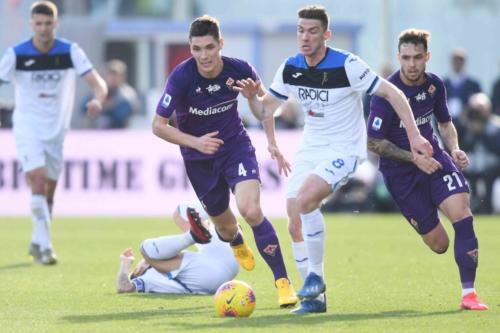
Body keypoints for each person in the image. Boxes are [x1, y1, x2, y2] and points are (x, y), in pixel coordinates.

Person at [234, 5, 433, 314]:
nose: (305, 37)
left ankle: (314, 276)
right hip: (310, 147)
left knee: (305, 199)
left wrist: (415, 135)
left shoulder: (347, 65)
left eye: (313, 31)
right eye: (301, 30)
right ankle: (315, 299)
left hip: (344, 149)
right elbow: (264, 111)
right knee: (293, 218)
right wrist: (251, 98)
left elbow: (394, 94)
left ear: (326, 35)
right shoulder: (290, 68)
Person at [151, 15, 298, 308]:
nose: (203, 56)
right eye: (196, 49)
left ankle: (283, 283)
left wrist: (271, 140)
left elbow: (262, 109)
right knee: (226, 227)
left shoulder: (239, 69)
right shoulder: (181, 77)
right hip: (198, 159)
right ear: (190, 48)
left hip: (235, 148)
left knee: (251, 209)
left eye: (209, 47)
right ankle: (235, 241)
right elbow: (158, 125)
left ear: (220, 44)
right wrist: (196, 142)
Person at [367, 29, 488, 310]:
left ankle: (469, 295)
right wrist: (413, 158)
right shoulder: (385, 93)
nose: (411, 64)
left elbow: (444, 123)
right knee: (439, 244)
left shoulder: (434, 85)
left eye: (417, 57)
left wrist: (455, 148)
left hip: (435, 160)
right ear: (399, 57)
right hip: (401, 174)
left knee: (462, 213)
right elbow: (374, 143)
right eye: (406, 58)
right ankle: (431, 212)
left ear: (427, 57)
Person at [0, 1, 107, 265]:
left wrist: (97, 100)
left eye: (48, 23)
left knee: (49, 191)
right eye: (38, 23)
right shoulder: (16, 54)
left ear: (55, 24)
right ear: (31, 24)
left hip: (57, 129)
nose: (43, 28)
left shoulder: (70, 52)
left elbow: (99, 84)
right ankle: (46, 247)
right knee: (36, 180)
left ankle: (37, 240)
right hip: (27, 125)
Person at [117, 201, 239, 294]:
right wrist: (128, 265)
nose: (137, 266)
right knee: (145, 248)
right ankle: (193, 235)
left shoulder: (152, 275)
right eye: (136, 269)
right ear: (139, 271)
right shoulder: (148, 278)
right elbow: (124, 287)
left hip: (227, 263)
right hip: (211, 276)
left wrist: (129, 265)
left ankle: (229, 225)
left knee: (180, 212)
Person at [455, 93, 500, 214]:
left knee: (489, 181)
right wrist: (473, 132)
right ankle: (471, 206)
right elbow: (460, 147)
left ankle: (487, 208)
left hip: (492, 167)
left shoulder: (496, 125)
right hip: (471, 165)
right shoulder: (464, 125)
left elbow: (497, 149)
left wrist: (482, 132)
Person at [81, 59, 140, 129]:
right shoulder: (99, 90)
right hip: (96, 134)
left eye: (116, 75)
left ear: (123, 77)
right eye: (110, 75)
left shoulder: (128, 94)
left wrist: (105, 106)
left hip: (121, 134)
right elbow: (83, 109)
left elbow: (120, 116)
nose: (113, 79)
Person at [443, 49, 481, 121]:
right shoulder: (442, 84)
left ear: (464, 62)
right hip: (446, 121)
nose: (457, 63)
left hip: (467, 123)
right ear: (451, 62)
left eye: (460, 60)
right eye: (455, 60)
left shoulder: (474, 85)